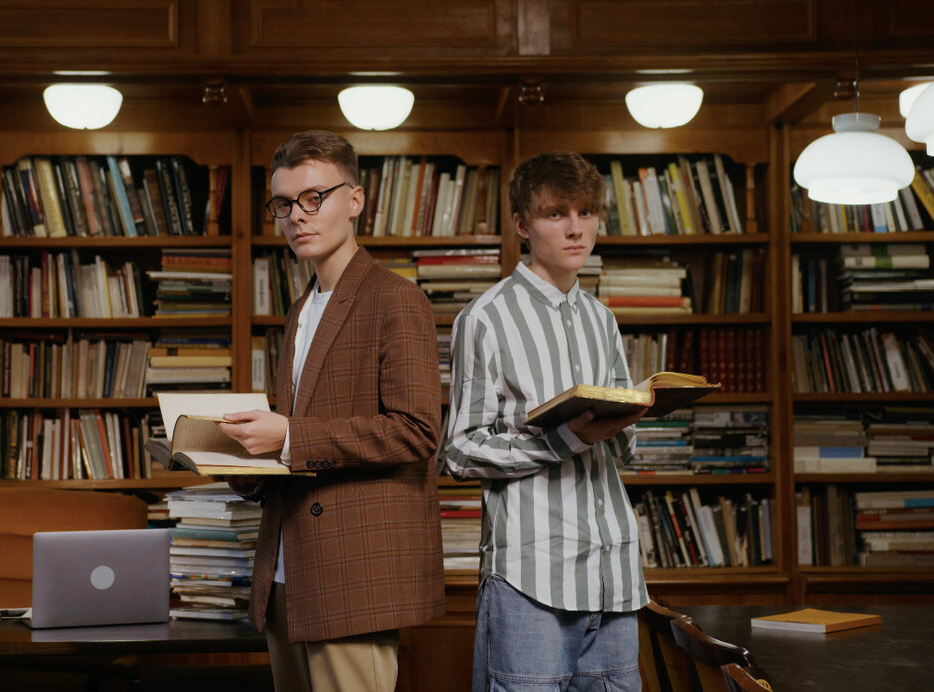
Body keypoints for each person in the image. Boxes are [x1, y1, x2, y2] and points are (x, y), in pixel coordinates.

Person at [217, 130, 444, 692]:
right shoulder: (299, 312)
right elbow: (296, 444)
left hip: (353, 573)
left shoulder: (396, 298)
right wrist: (236, 458)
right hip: (287, 570)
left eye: (315, 197)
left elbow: (417, 432)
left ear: (356, 200)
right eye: (284, 204)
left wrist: (289, 436)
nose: (298, 215)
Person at [443, 151, 649, 691]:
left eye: (586, 212)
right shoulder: (484, 318)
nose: (576, 229)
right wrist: (565, 438)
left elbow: (622, 449)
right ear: (521, 225)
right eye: (557, 214)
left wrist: (632, 416)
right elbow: (461, 450)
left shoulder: (602, 318)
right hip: (531, 580)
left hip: (615, 576)